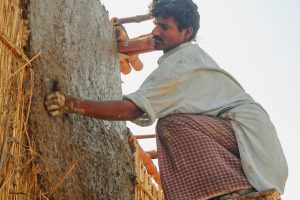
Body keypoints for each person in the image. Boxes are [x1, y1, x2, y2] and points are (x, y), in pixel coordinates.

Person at [45, 0, 288, 199]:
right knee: (174, 122)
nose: (156, 32)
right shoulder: (187, 53)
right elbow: (148, 42)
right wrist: (126, 45)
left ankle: (236, 193)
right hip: (253, 148)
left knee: (172, 125)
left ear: (187, 32)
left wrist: (71, 104)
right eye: (155, 25)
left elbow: (131, 109)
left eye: (164, 27)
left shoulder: (181, 65)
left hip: (247, 143)